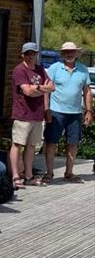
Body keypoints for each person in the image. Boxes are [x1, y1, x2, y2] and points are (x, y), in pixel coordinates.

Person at [43, 41, 93, 183]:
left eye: (72, 51)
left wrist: (89, 111)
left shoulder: (83, 70)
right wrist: (46, 109)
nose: (69, 54)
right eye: (66, 52)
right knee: (51, 142)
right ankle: (49, 173)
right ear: (62, 54)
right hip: (56, 111)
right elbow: (46, 90)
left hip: (75, 113)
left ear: (77, 53)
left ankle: (69, 172)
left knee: (73, 143)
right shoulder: (54, 68)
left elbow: (87, 91)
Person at [9, 42, 54, 188]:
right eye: (27, 53)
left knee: (31, 146)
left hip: (37, 114)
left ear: (36, 54)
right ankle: (16, 177)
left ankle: (28, 176)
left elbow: (51, 87)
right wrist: (42, 88)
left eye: (33, 53)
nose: (30, 56)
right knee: (17, 144)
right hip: (23, 114)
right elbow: (27, 91)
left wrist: (37, 88)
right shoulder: (19, 70)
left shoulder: (40, 70)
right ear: (23, 55)